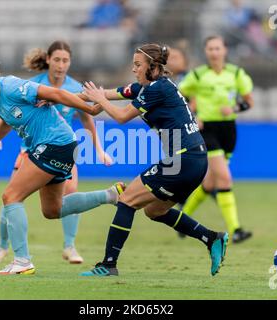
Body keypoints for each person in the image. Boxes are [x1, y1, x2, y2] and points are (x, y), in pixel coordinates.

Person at [0, 60, 124, 275]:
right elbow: (6, 120)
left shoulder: (12, 86)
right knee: (53, 210)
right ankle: (110, 195)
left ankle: (22, 261)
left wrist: (89, 109)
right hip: (62, 146)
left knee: (11, 196)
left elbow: (57, 94)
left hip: (54, 144)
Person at [79, 43, 228, 277]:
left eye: (138, 65)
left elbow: (120, 116)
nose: (133, 68)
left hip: (183, 159)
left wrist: (100, 100)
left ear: (153, 67)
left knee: (127, 200)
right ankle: (211, 238)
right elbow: (107, 95)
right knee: (154, 211)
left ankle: (108, 265)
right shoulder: (146, 87)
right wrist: (57, 98)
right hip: (194, 161)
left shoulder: (156, 89)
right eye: (133, 64)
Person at [0, 41, 114, 265]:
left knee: (58, 193)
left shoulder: (75, 88)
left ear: (70, 62)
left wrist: (99, 150)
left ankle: (69, 246)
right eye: (57, 59)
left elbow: (88, 119)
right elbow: (5, 109)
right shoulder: (32, 84)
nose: (61, 65)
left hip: (59, 146)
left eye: (65, 60)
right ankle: (2, 246)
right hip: (29, 150)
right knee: (13, 197)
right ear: (48, 60)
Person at [178, 36, 254, 244]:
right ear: (206, 52)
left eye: (217, 48)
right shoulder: (198, 75)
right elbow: (180, 96)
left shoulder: (236, 74)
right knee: (225, 179)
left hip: (228, 130)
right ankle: (236, 229)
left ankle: (182, 218)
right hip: (207, 130)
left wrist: (235, 108)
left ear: (224, 50)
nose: (214, 52)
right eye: (210, 48)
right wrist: (193, 116)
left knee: (210, 183)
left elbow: (249, 102)